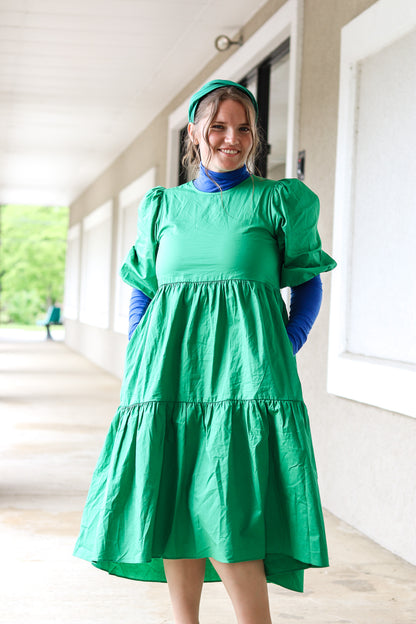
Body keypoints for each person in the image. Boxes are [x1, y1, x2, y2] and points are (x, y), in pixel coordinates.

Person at [74, 79, 336, 624]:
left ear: (255, 136)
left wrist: (285, 344)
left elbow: (307, 281)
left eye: (244, 128)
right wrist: (140, 355)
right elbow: (144, 286)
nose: (231, 138)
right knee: (174, 501)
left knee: (233, 508)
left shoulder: (278, 200)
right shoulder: (161, 206)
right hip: (166, 374)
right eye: (218, 126)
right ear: (196, 132)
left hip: (247, 380)